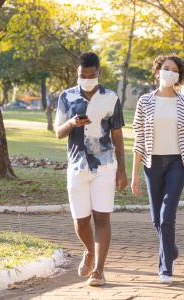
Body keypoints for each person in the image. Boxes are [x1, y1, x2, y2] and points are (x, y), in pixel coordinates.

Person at [54, 52, 127, 286]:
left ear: (98, 73)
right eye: (82, 75)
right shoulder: (66, 96)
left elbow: (117, 134)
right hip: (77, 166)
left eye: (91, 75)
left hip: (105, 165)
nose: (86, 79)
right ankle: (89, 250)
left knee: (102, 217)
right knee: (81, 221)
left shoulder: (111, 97)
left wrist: (122, 170)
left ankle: (99, 270)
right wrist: (72, 123)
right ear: (77, 73)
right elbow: (58, 132)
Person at [131, 55, 184, 284]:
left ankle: (165, 268)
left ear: (179, 76)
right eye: (166, 68)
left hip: (177, 163)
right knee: (155, 219)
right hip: (152, 164)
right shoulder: (144, 102)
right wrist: (134, 176)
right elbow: (138, 139)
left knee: (166, 215)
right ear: (157, 71)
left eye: (175, 70)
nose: (170, 73)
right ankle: (170, 248)